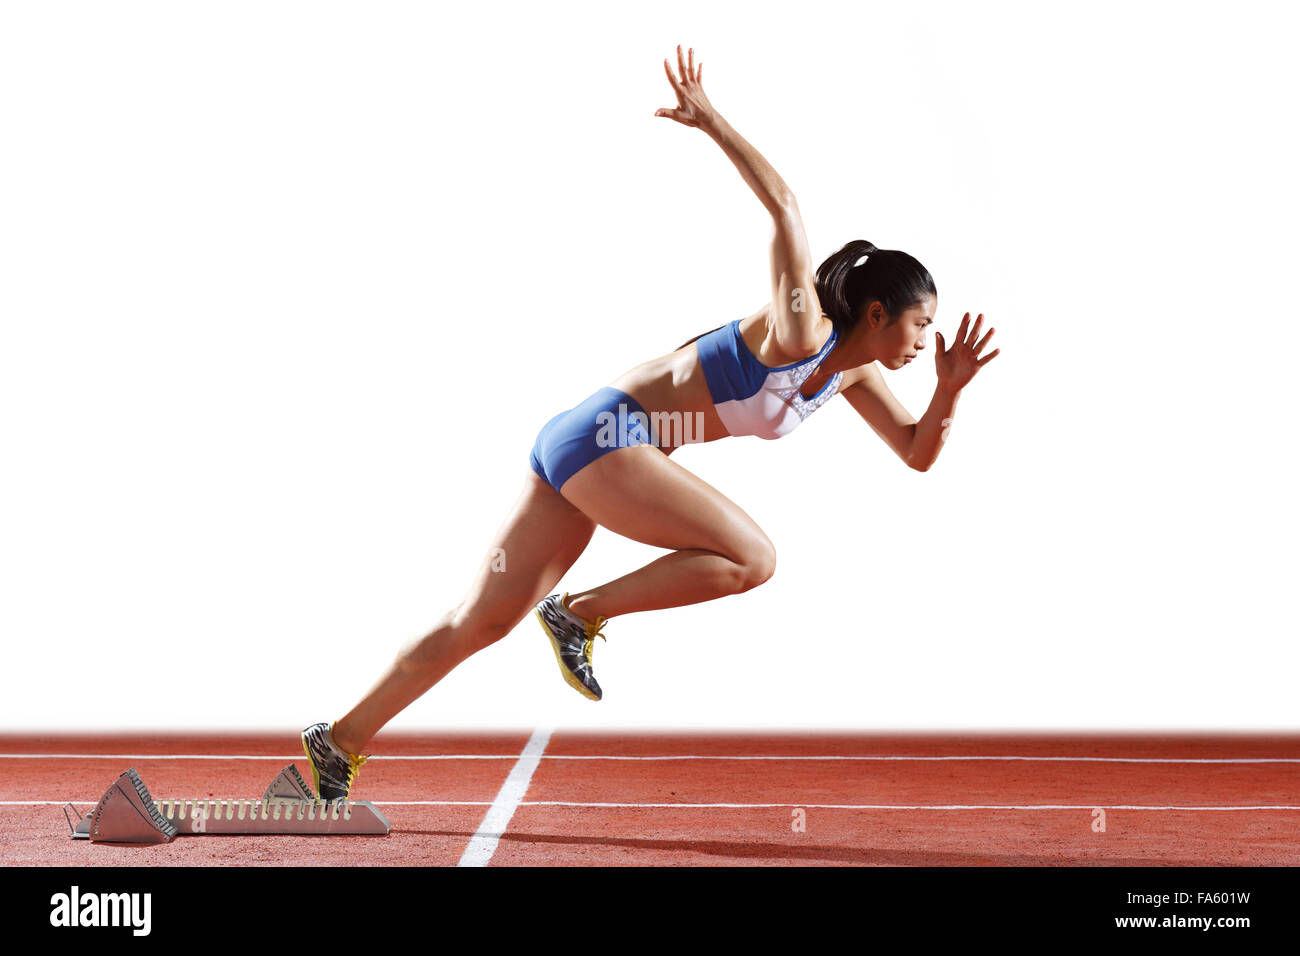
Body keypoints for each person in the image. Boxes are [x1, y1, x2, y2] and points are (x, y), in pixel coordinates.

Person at [301, 45, 999, 801]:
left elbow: (916, 452)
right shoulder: (800, 334)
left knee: (480, 621)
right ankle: (576, 613)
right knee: (751, 556)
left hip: (587, 451)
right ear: (875, 313)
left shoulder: (852, 374)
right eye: (921, 326)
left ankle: (337, 742)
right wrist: (712, 120)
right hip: (606, 437)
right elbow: (786, 208)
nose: (927, 342)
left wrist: (950, 391)